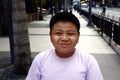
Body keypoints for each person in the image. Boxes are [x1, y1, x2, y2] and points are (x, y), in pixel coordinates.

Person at [26, 12, 103, 80]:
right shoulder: (40, 60)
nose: (64, 38)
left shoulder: (88, 61)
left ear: (78, 36)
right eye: (58, 33)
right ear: (50, 36)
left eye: (70, 33)